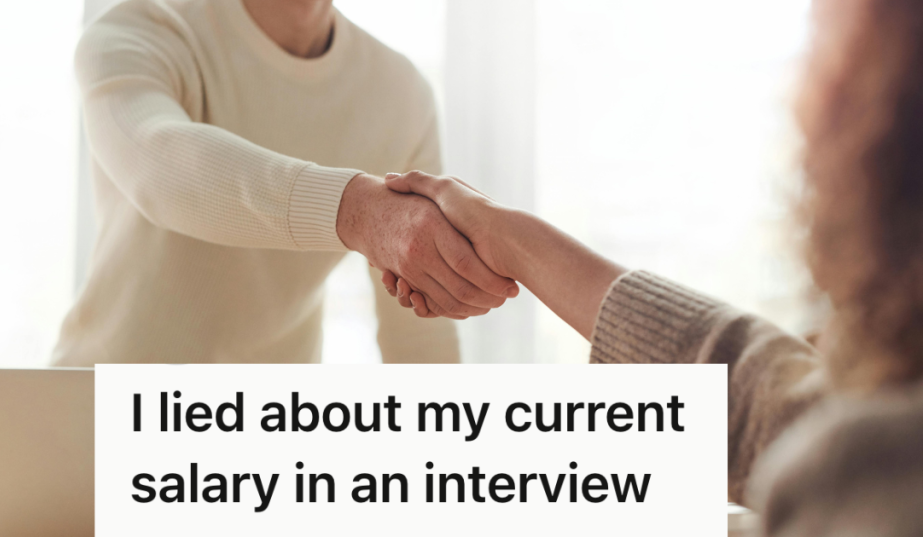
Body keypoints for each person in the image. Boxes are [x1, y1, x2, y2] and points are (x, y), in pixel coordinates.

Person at [379, 0, 923, 534]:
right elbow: (786, 411)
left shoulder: (874, 482)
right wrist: (513, 240)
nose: (801, 95)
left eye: (826, 40)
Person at [53, 0, 518, 367]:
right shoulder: (141, 29)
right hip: (92, 415)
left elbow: (419, 336)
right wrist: (356, 212)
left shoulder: (401, 92)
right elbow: (159, 164)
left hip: (268, 438)